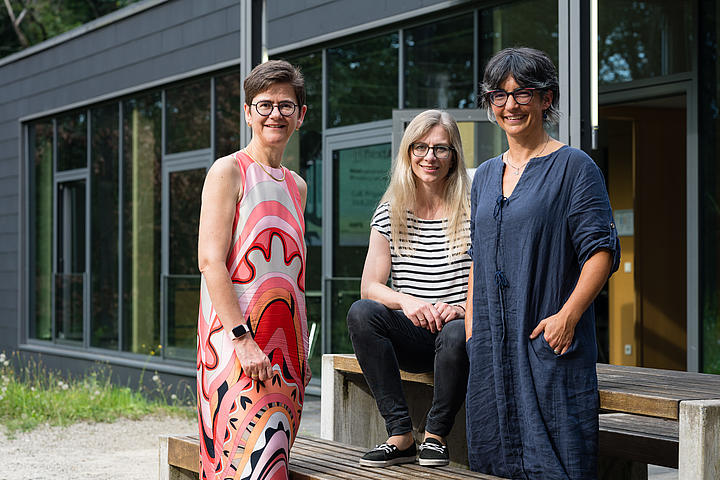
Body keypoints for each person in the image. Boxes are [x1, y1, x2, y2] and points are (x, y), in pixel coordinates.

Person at [465, 47, 620, 479]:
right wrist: (474, 327)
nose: (510, 105)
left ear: (546, 99)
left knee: (559, 459)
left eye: (523, 93)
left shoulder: (574, 167)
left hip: (547, 340)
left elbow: (601, 252)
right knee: (493, 460)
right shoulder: (484, 176)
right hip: (491, 347)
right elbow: (479, 253)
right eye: (499, 95)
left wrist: (567, 318)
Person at [196, 59, 311, 480]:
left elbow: (294, 274)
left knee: (274, 462)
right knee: (243, 463)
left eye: (285, 105)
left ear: (300, 115)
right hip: (234, 344)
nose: (275, 114)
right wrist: (243, 341)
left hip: (283, 351)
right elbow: (210, 262)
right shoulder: (228, 171)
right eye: (264, 105)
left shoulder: (297, 185)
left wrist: (299, 347)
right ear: (248, 112)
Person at [346, 110, 471, 468]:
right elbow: (370, 286)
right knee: (361, 312)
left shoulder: (474, 211)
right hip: (411, 333)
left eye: (440, 149)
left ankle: (435, 436)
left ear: (454, 156)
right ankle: (400, 435)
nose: (429, 157)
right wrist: (407, 301)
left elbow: (489, 282)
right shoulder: (389, 212)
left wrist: (460, 309)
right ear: (408, 152)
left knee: (457, 331)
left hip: (459, 335)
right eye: (420, 147)